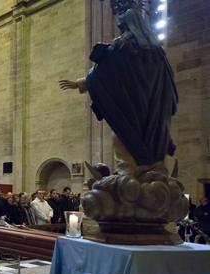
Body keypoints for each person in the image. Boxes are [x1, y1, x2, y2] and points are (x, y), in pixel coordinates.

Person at [60, 5, 178, 174]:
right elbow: (169, 84)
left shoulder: (123, 46)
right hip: (155, 111)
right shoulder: (158, 53)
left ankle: (130, 175)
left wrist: (81, 82)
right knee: (150, 141)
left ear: (128, 26)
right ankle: (148, 173)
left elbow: (103, 72)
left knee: (123, 138)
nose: (121, 31)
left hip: (132, 108)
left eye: (122, 27)